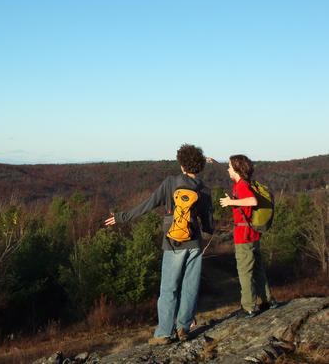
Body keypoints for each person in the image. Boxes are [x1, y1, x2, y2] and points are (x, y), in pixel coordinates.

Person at [105, 144, 214, 345]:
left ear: (182, 164)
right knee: (190, 286)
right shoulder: (204, 190)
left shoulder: (171, 182)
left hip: (173, 242)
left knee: (168, 288)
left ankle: (164, 332)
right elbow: (208, 224)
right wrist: (208, 232)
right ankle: (183, 327)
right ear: (199, 167)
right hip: (194, 242)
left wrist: (121, 217)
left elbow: (149, 203)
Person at [218, 154, 277, 317]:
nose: (228, 169)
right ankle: (267, 300)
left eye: (229, 166)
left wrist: (231, 202)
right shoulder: (244, 183)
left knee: (245, 271)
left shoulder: (241, 185)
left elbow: (252, 201)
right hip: (252, 234)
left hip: (244, 236)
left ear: (236, 169)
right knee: (257, 269)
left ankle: (249, 307)